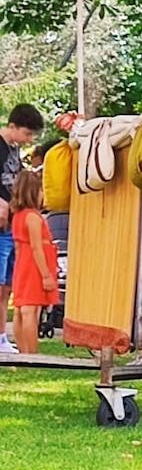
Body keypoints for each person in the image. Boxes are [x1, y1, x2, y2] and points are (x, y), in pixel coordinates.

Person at [0, 104, 44, 354]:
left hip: (13, 223)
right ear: (13, 126)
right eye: (26, 134)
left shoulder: (15, 151)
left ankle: (3, 337)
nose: (28, 140)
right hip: (2, 222)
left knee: (7, 285)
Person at [9, 170, 57, 354]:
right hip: (34, 267)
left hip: (22, 265)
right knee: (31, 311)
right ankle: (31, 354)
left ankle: (23, 352)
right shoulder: (33, 217)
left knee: (21, 310)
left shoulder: (18, 216)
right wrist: (45, 275)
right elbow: (37, 247)